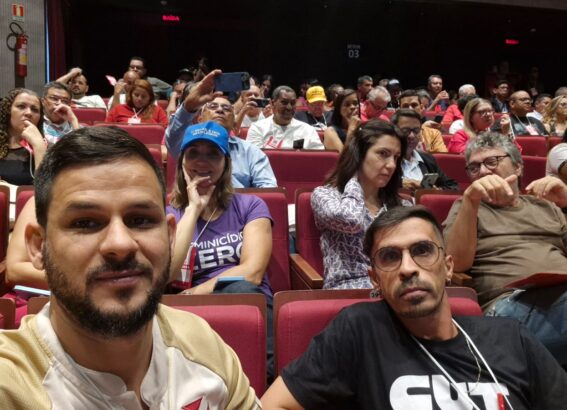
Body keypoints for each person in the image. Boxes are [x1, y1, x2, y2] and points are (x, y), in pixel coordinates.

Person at [0, 126, 259, 408]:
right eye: (85, 223)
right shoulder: (10, 386)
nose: (121, 243)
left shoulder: (203, 343)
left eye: (140, 220)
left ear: (170, 237)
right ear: (39, 246)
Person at [261, 206, 567, 409]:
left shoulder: (511, 337)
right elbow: (273, 404)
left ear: (448, 267)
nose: (408, 268)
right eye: (390, 257)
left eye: (422, 250)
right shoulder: (359, 331)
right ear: (375, 279)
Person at [444, 132, 567, 365]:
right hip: (512, 306)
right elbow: (456, 264)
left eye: (492, 161)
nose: (483, 171)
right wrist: (471, 201)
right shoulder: (466, 207)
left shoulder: (545, 206)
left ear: (518, 167)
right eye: (474, 167)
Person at [167, 120, 274, 378]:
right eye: (193, 153)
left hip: (243, 305)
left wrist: (196, 292)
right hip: (187, 315)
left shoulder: (250, 206)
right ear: (181, 162)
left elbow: (252, 272)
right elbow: (167, 273)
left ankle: (266, 380)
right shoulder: (169, 214)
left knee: (242, 289)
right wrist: (193, 209)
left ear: (226, 163)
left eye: (213, 154)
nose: (202, 161)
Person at [311, 120, 411, 289]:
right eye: (383, 154)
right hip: (348, 289)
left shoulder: (403, 205)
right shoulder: (325, 195)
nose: (392, 165)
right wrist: (354, 178)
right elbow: (351, 220)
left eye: (396, 157)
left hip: (394, 288)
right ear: (359, 154)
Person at [166, 69, 277, 188]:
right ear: (200, 119)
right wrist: (189, 106)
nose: (220, 110)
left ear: (234, 121)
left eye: (227, 108)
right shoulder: (189, 145)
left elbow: (268, 190)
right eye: (213, 106)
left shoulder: (251, 151)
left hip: (238, 199)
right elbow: (173, 136)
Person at [391, 109, 458, 191]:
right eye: (405, 131)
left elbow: (453, 186)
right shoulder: (386, 159)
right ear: (393, 132)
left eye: (416, 131)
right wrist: (400, 184)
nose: (412, 136)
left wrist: (436, 191)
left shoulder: (427, 159)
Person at [247, 86, 323, 150]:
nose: (289, 107)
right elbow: (254, 158)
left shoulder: (308, 130)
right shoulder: (257, 128)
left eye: (292, 103)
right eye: (284, 102)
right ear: (273, 103)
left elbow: (318, 159)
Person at [0, 88, 47, 185]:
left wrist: (39, 146)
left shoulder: (47, 147)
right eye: (21, 106)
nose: (29, 113)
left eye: (35, 110)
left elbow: (46, 189)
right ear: (8, 110)